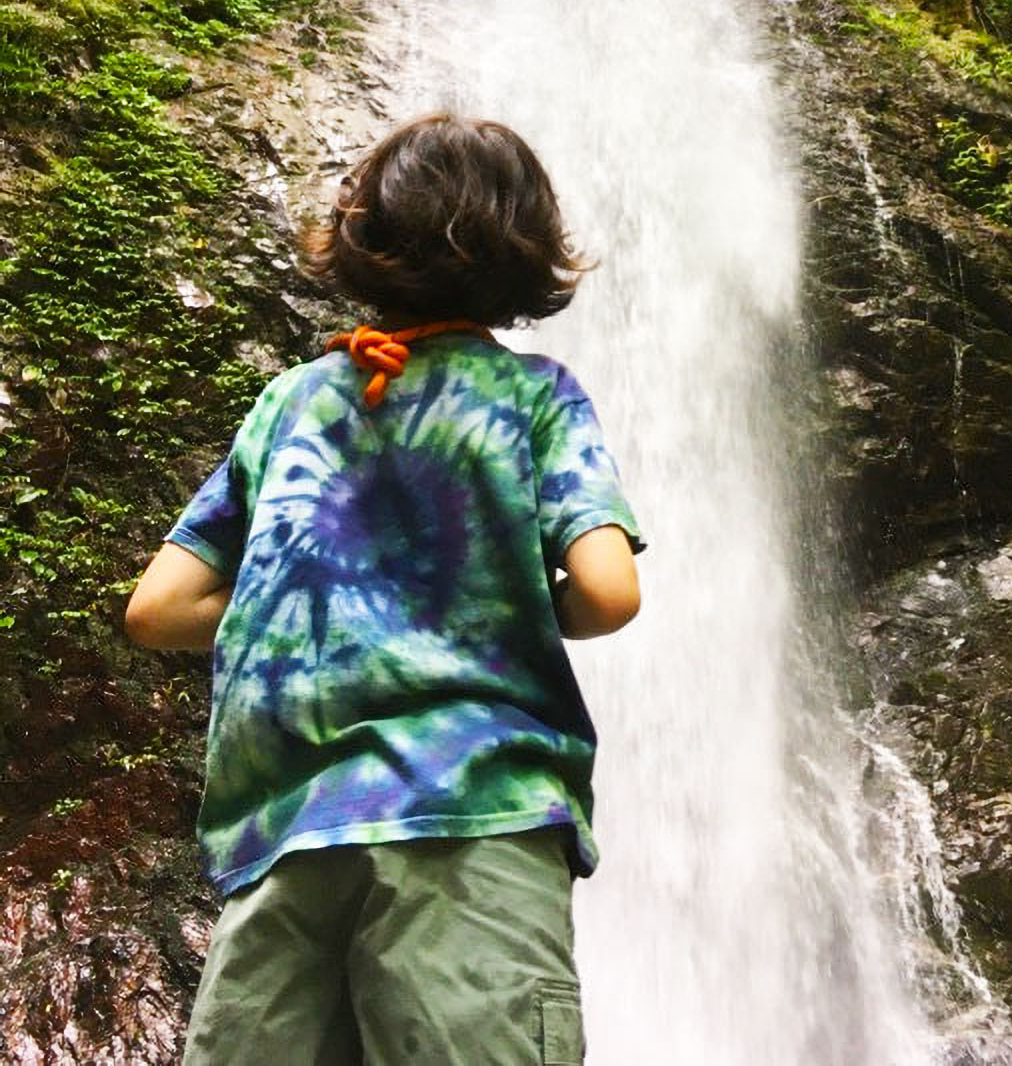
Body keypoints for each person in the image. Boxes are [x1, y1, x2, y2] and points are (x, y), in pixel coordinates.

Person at [126, 112, 643, 1066]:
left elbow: (157, 612)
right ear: (528, 249)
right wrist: (496, 600)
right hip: (475, 820)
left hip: (288, 835)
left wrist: (328, 603)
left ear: (360, 238)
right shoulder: (534, 395)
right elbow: (609, 593)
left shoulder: (291, 400)